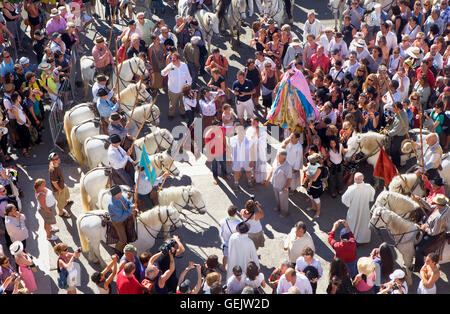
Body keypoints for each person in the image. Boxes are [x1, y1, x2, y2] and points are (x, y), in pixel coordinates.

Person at [413, 194, 449, 271]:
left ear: (439, 204)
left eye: (436, 203)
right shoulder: (446, 206)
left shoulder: (440, 218)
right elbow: (430, 207)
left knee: (418, 249)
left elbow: (434, 232)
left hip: (434, 233)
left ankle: (418, 266)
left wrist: (424, 228)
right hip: (430, 225)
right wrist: (419, 199)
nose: (435, 204)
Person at [341, 172, 375, 244]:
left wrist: (349, 204)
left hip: (354, 209)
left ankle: (352, 238)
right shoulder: (368, 187)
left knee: (352, 222)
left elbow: (344, 199)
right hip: (365, 208)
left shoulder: (351, 189)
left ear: (354, 179)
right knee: (364, 223)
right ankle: (363, 239)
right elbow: (372, 194)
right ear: (363, 179)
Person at [107, 185, 138, 255]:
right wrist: (131, 210)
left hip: (125, 215)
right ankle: (117, 251)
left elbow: (127, 202)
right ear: (115, 194)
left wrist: (132, 205)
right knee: (123, 240)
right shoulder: (112, 205)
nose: (121, 193)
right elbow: (121, 216)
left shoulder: (121, 197)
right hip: (118, 221)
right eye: (120, 192)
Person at [161, 53, 192, 119]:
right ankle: (171, 115)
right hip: (173, 89)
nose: (172, 61)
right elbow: (162, 73)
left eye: (174, 60)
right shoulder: (170, 66)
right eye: (171, 59)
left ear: (178, 60)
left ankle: (182, 113)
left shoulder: (184, 66)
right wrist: (168, 69)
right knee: (172, 104)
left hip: (183, 90)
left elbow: (188, 77)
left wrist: (189, 86)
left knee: (183, 103)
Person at [228, 124, 255, 191]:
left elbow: (252, 151)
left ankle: (249, 181)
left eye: (242, 131)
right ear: (236, 132)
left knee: (248, 171)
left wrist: (252, 161)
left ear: (244, 132)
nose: (240, 133)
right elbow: (229, 150)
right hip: (236, 159)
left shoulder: (249, 140)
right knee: (236, 172)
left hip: (247, 160)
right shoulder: (232, 139)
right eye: (239, 132)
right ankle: (236, 183)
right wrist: (228, 158)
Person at [265, 149, 292, 218]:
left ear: (283, 157)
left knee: (283, 200)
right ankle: (278, 207)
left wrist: (286, 188)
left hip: (282, 187)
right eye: (277, 155)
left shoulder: (287, 166)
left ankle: (284, 212)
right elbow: (272, 170)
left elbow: (289, 178)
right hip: (275, 184)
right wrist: (268, 179)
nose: (277, 156)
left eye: (279, 155)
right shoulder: (276, 161)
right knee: (277, 197)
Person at [383, 101, 409, 167]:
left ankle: (396, 165)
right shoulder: (400, 112)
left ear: (398, 109)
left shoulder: (401, 119)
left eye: (394, 109)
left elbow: (396, 130)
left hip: (400, 136)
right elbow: (394, 118)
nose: (393, 110)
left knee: (393, 150)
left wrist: (387, 133)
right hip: (396, 131)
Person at [48, 152, 72, 218]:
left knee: (66, 194)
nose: (59, 159)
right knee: (60, 203)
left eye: (58, 157)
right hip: (58, 189)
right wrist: (59, 189)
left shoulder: (53, 164)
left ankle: (66, 203)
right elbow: (54, 182)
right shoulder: (53, 170)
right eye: (56, 159)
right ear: (52, 160)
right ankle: (61, 213)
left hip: (62, 185)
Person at [246, 118, 268, 184]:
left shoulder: (262, 130)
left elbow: (264, 140)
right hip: (252, 150)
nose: (253, 124)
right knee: (253, 163)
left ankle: (262, 179)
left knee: (261, 164)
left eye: (254, 122)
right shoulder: (249, 130)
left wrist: (258, 137)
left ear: (258, 123)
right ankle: (253, 177)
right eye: (252, 122)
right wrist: (252, 138)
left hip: (260, 150)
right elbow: (247, 140)